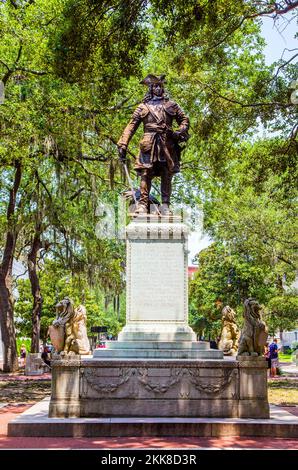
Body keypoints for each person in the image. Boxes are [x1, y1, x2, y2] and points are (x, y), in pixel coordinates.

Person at [117, 74, 190, 215]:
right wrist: (123, 143)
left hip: (167, 143)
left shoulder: (171, 105)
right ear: (150, 88)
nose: (158, 88)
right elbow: (131, 126)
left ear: (163, 88)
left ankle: (165, 205)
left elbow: (184, 120)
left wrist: (178, 131)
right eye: (155, 86)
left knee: (166, 173)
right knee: (146, 173)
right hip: (148, 143)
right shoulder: (142, 107)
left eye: (160, 86)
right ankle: (143, 205)